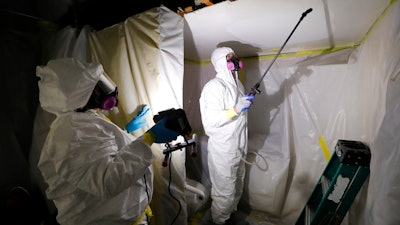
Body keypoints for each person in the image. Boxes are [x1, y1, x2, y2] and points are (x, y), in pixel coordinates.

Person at [35, 58, 180, 225]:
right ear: (80, 94)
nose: (108, 91)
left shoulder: (80, 121)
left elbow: (99, 156)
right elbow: (107, 180)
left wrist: (126, 133)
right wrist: (148, 139)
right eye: (99, 86)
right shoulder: (73, 130)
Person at [199, 47, 253, 225]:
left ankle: (229, 216)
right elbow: (210, 123)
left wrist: (245, 101)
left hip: (239, 147)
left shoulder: (238, 85)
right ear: (220, 62)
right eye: (230, 57)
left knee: (237, 186)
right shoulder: (214, 87)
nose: (235, 60)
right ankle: (219, 221)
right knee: (225, 193)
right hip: (224, 150)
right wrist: (236, 109)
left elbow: (237, 118)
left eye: (235, 56)